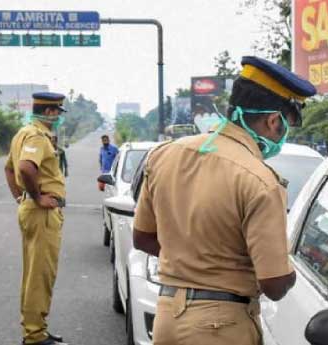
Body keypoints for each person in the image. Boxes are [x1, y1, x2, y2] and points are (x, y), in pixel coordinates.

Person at [132, 56, 316, 345]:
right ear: (272, 121)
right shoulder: (261, 181)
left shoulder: (164, 155)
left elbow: (142, 238)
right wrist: (290, 271)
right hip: (222, 327)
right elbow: (274, 284)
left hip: (168, 317)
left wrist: (193, 262)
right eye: (286, 126)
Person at [4, 92, 68, 345]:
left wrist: (21, 198)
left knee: (34, 273)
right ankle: (34, 335)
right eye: (58, 112)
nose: (58, 117)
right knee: (40, 274)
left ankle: (35, 329)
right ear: (51, 112)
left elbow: (9, 168)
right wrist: (37, 198)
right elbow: (24, 168)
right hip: (41, 213)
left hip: (32, 208)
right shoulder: (37, 136)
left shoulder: (22, 133)